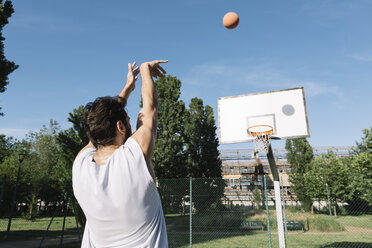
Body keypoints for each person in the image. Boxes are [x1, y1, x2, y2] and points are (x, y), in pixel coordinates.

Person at [72, 60, 169, 248]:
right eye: (127, 119)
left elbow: (98, 126)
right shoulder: (133, 157)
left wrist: (126, 89)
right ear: (120, 126)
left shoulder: (80, 165)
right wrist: (144, 69)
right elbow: (151, 106)